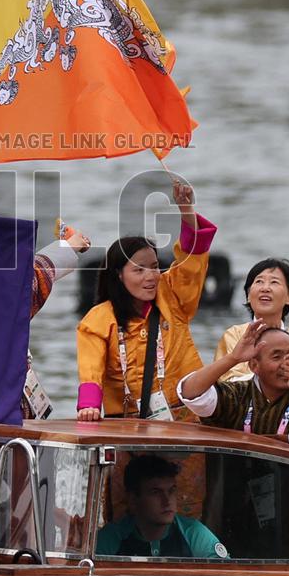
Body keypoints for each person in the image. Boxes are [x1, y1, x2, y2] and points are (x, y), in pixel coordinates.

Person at [76, 179, 216, 421]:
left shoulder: (171, 295)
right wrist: (88, 406)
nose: (151, 277)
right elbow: (90, 370)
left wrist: (186, 211)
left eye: (154, 267)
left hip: (187, 422)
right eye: (139, 270)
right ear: (119, 275)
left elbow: (192, 263)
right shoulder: (98, 320)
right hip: (125, 426)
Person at [178, 322, 289, 460]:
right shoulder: (237, 396)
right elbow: (190, 393)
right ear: (254, 366)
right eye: (277, 357)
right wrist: (233, 358)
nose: (286, 363)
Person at [214, 258, 289, 409]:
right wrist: (281, 372)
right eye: (259, 282)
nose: (265, 288)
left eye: (274, 282)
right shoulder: (235, 336)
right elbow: (227, 387)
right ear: (248, 294)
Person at [96, 454, 227, 558]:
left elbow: (225, 574)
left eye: (171, 490)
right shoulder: (112, 537)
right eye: (155, 492)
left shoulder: (193, 533)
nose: (167, 500)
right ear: (133, 500)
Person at [23, 224, 91, 418]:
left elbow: (30, 277)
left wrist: (68, 247)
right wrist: (69, 246)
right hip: (3, 403)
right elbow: (29, 281)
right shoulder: (7, 299)